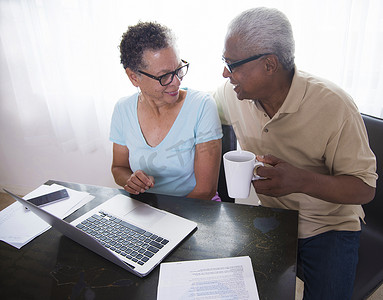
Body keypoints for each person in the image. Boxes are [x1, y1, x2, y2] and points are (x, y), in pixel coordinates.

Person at [214, 7, 377, 300]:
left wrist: (300, 181)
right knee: (226, 288)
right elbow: (199, 110)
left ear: (269, 64)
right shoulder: (232, 93)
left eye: (232, 63)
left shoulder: (335, 106)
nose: (226, 73)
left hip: (329, 225)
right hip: (272, 218)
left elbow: (365, 189)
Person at [110, 21, 222, 200]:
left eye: (179, 69)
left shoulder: (201, 106)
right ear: (133, 77)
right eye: (164, 76)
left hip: (197, 209)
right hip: (147, 210)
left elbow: (205, 190)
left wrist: (162, 221)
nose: (177, 81)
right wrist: (130, 180)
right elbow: (118, 168)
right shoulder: (123, 110)